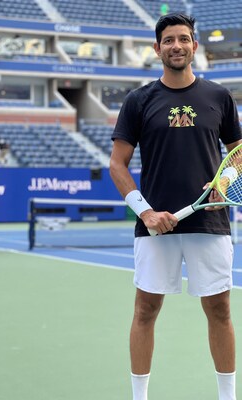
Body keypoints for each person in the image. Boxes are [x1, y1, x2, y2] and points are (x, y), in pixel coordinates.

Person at [109, 13, 242, 400]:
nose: (177, 46)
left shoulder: (218, 97)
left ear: (194, 46)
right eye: (168, 40)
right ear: (157, 48)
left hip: (211, 223)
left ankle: (227, 396)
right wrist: (146, 212)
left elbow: (238, 156)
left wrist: (224, 185)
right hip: (155, 228)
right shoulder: (139, 100)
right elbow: (117, 163)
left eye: (184, 39)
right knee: (145, 311)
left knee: (220, 312)